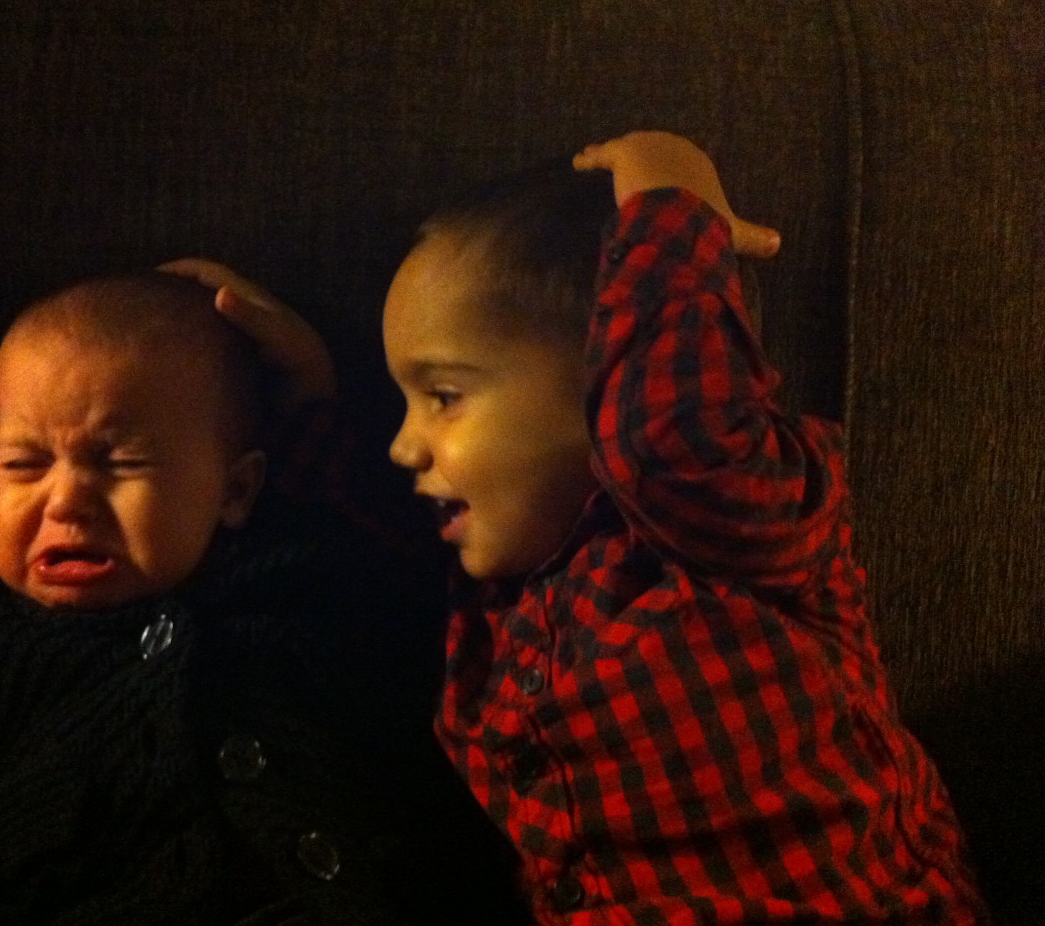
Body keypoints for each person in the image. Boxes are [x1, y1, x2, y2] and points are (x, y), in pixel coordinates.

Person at [190, 133, 987, 923]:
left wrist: (672, 197)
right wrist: (303, 389)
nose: (404, 445)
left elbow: (669, 434)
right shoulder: (488, 596)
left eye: (443, 396)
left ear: (605, 371)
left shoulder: (732, 521)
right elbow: (354, 532)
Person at [0, 271, 532, 925]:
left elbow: (408, 558)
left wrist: (311, 396)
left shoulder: (298, 576)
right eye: (24, 464)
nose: (65, 501)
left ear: (236, 491)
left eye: (122, 463)